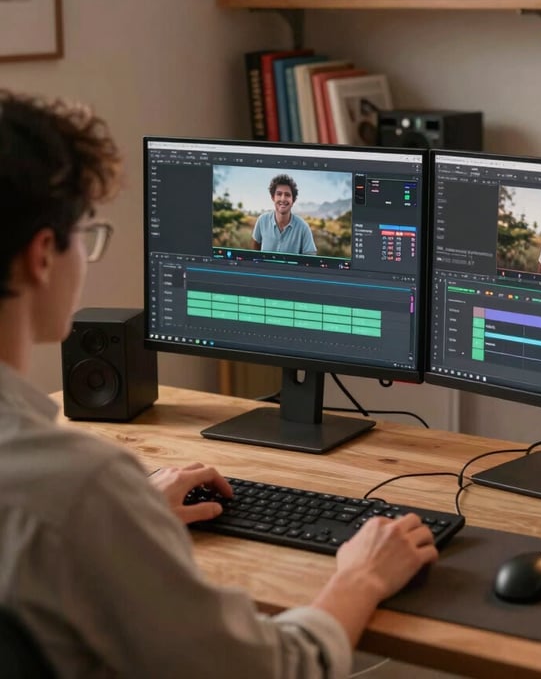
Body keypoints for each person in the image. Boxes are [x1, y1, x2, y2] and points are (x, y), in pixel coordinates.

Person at [0, 90, 438, 677]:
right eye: (87, 232)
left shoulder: (82, 495)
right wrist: (359, 577)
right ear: (43, 255)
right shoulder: (82, 488)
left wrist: (130, 521)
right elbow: (270, 670)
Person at [253, 173, 317, 255]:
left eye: (287, 195)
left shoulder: (303, 227)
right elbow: (255, 252)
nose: (283, 199)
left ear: (293, 200)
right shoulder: (262, 221)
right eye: (279, 194)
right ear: (273, 197)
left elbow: (311, 258)